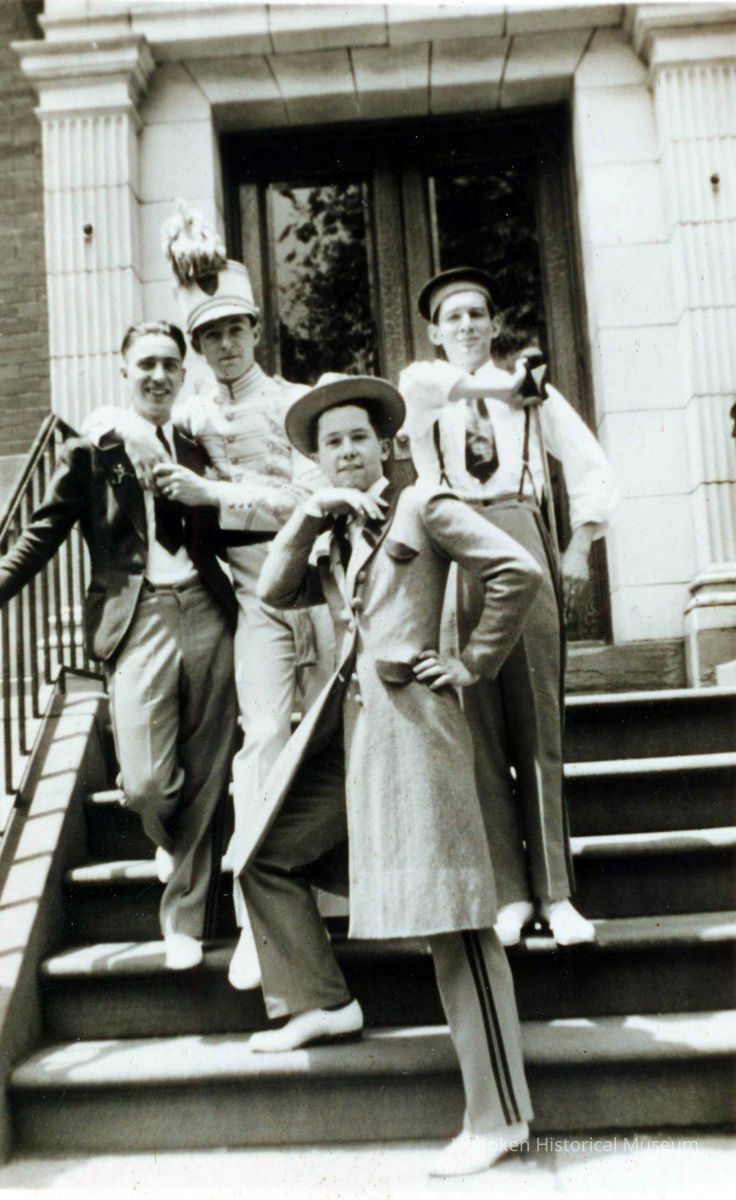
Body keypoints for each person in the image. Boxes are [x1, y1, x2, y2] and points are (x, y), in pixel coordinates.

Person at [231, 372, 543, 1177]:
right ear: (318, 459)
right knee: (264, 854)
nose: (345, 452)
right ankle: (321, 1001)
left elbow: (517, 571)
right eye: (330, 443)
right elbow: (275, 590)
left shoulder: (422, 503)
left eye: (357, 439)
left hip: (416, 734)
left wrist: (472, 662)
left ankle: (500, 1117)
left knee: (456, 924)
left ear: (384, 447)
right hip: (353, 737)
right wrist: (311, 513)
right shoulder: (333, 528)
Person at [84, 208, 336, 984]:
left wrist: (215, 491)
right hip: (251, 600)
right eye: (211, 336)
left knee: (334, 739)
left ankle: (342, 893)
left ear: (256, 329)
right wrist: (111, 426)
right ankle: (262, 920)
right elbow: (125, 436)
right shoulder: (190, 415)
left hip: (317, 592)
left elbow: (310, 496)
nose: (226, 345)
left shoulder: (295, 403)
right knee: (259, 744)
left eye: (236, 330)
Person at [0, 322, 238, 970]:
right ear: (124, 370)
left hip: (208, 608)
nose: (158, 375)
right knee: (146, 782)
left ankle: (184, 919)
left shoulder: (196, 446)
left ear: (183, 373)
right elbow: (41, 534)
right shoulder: (92, 451)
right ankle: (166, 836)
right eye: (146, 364)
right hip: (139, 618)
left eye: (169, 364)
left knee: (208, 770)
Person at [399, 267, 619, 947]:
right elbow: (434, 385)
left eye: (477, 314)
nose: (466, 325)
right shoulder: (424, 383)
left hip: (521, 530)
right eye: (453, 317)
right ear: (435, 332)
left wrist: (579, 545)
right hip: (451, 541)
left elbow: (589, 463)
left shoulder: (534, 394)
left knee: (538, 725)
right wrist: (517, 382)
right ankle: (510, 893)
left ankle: (555, 892)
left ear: (493, 325)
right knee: (478, 727)